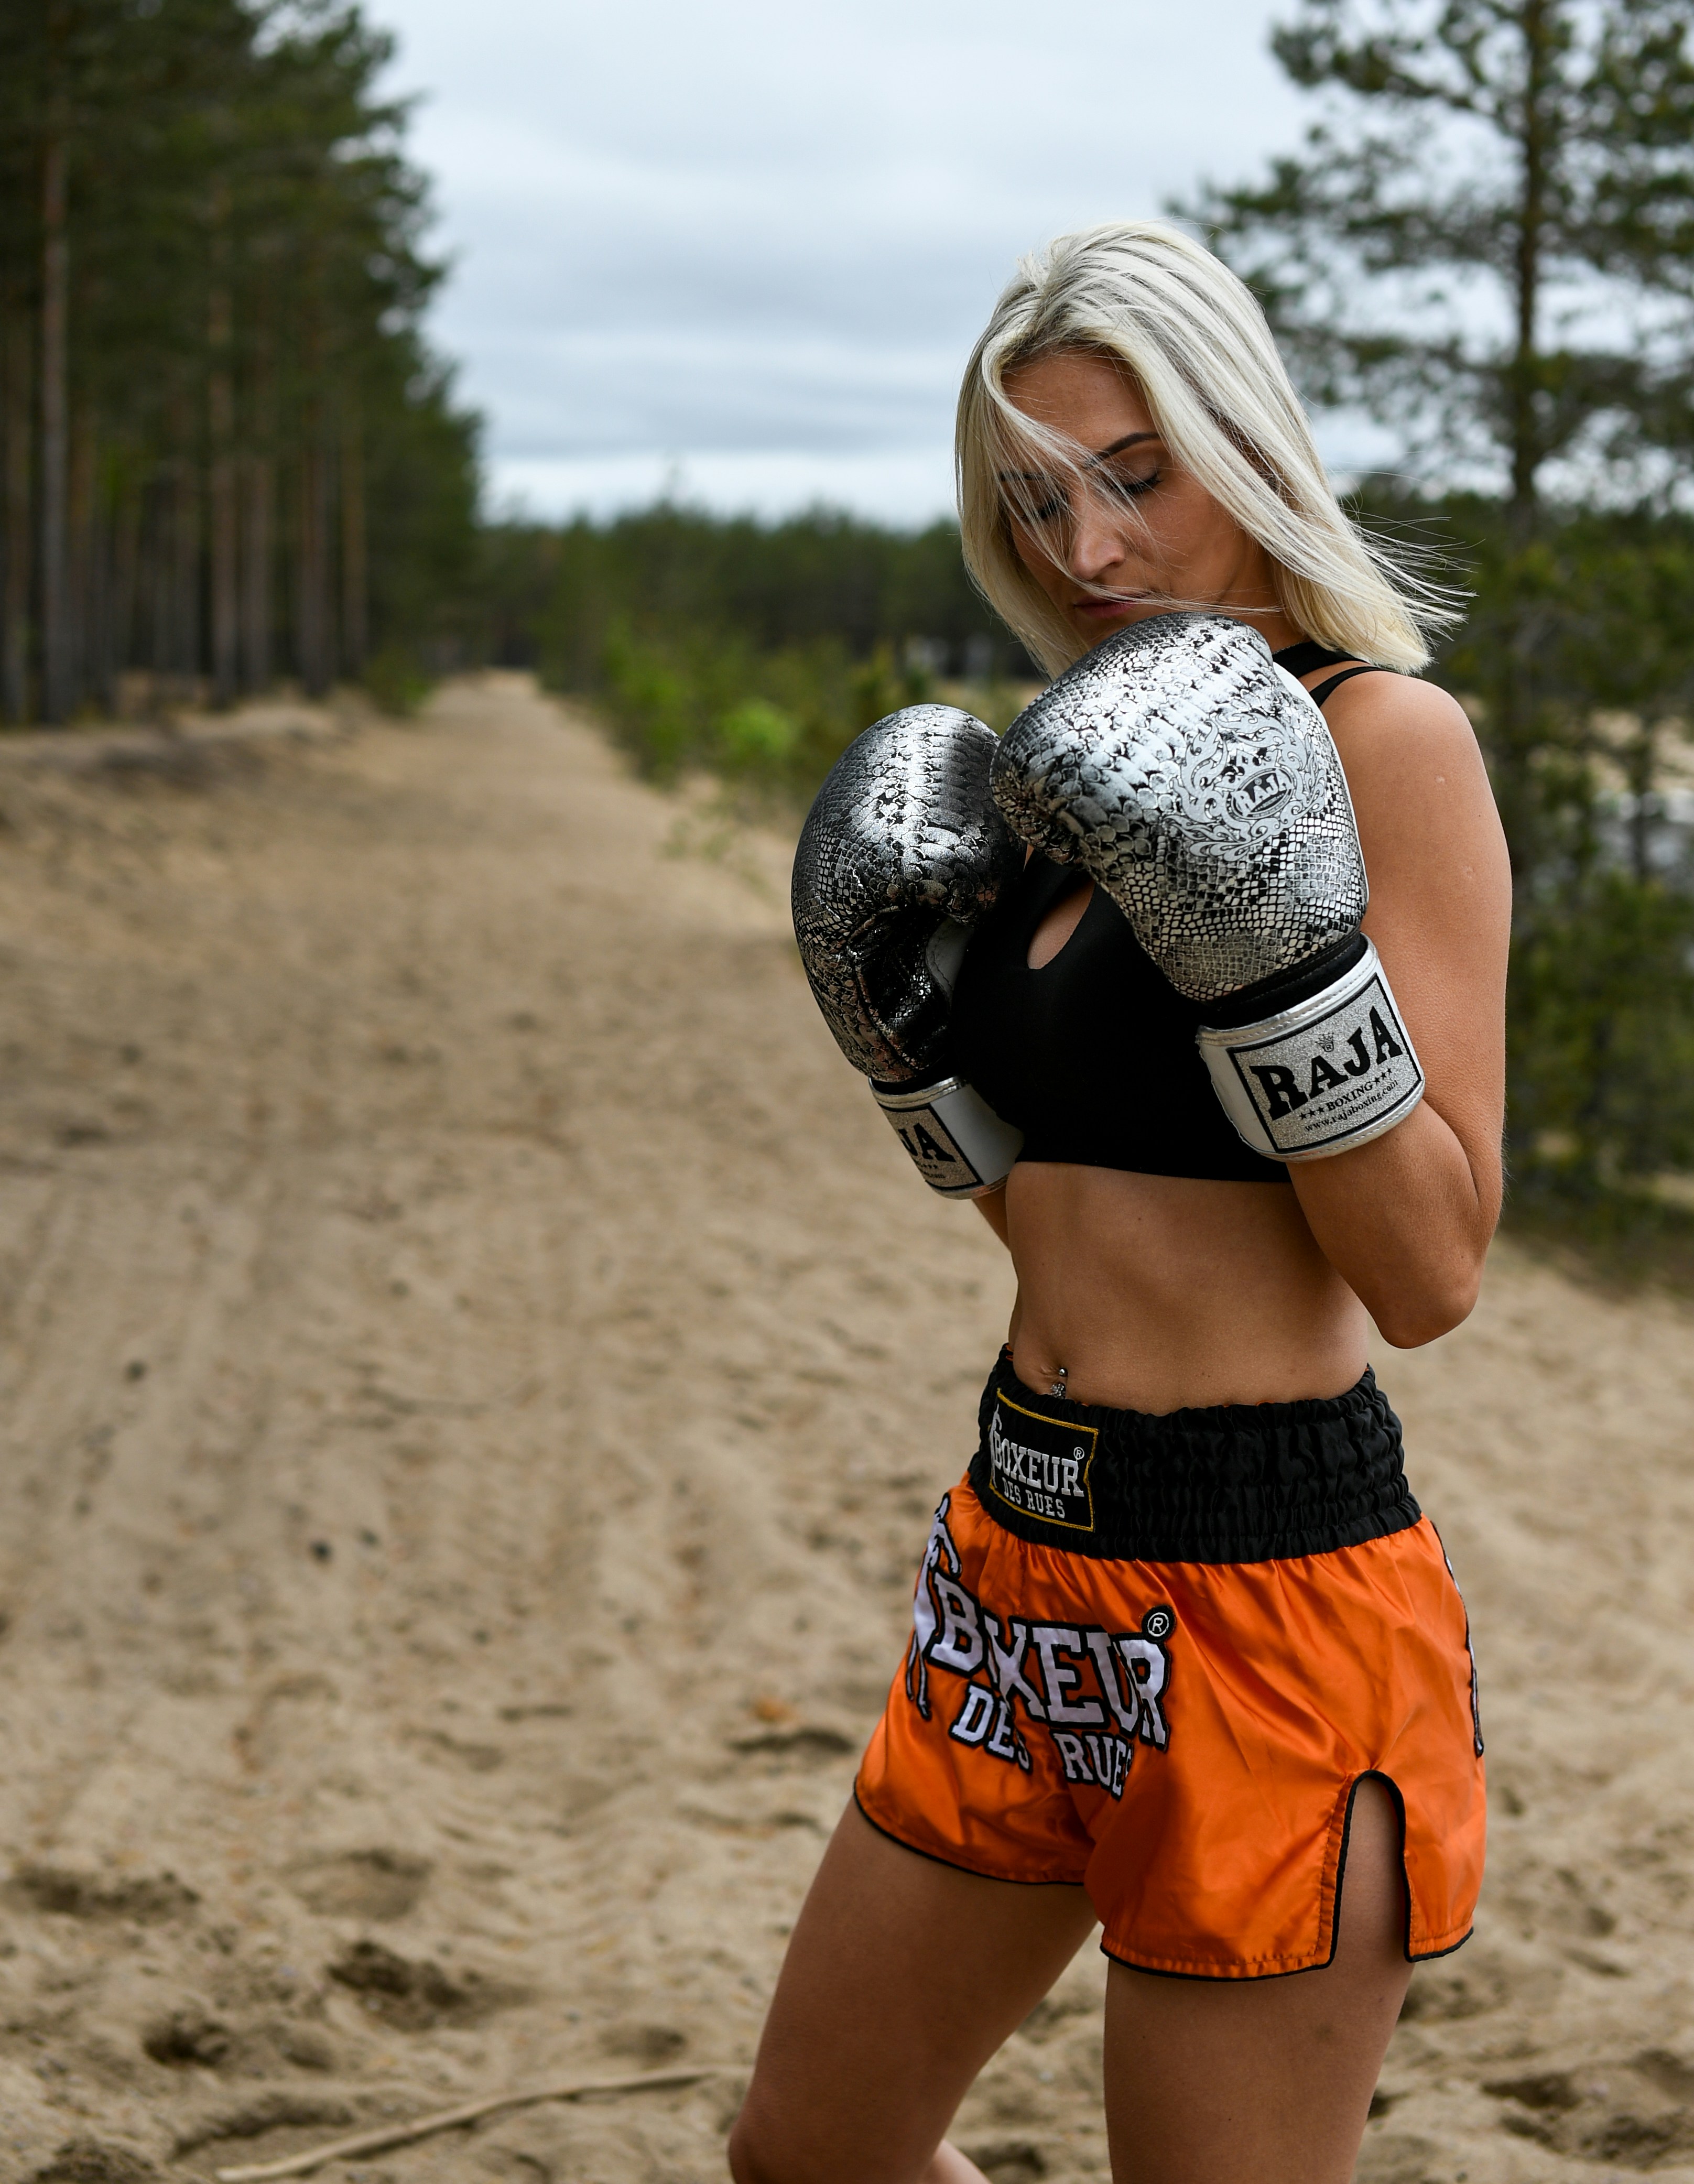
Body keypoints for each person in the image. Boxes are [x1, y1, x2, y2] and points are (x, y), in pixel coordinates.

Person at [735, 220, 1509, 2184]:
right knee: (807, 2156)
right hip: (1017, 1561)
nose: (1089, 550)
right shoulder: (1049, 793)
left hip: (1273, 1601)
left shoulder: (1381, 743)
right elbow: (1070, 1218)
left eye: (1137, 477)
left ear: (1244, 444)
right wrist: (913, 1057)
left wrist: (1274, 961)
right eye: (1035, 502)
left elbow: (1429, 1265)